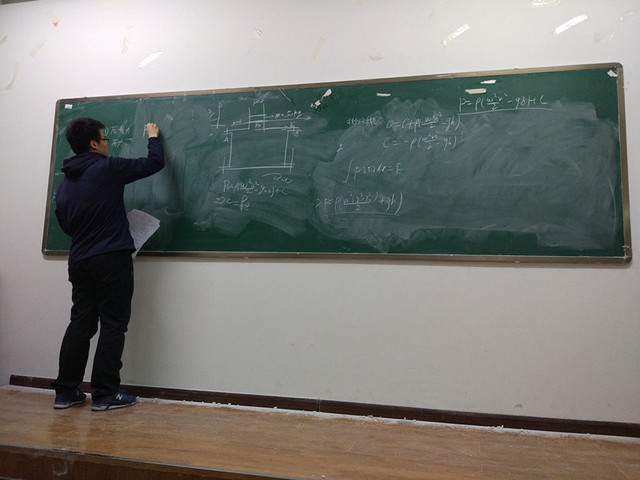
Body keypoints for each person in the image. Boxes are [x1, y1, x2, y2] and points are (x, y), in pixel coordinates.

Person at [52, 117, 165, 411]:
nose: (107, 144)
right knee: (113, 324)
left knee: (81, 322)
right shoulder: (107, 167)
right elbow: (153, 163)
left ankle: (66, 392)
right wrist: (153, 137)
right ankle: (104, 394)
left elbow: (65, 225)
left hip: (79, 260)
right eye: (105, 139)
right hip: (111, 258)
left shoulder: (65, 183)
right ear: (94, 143)